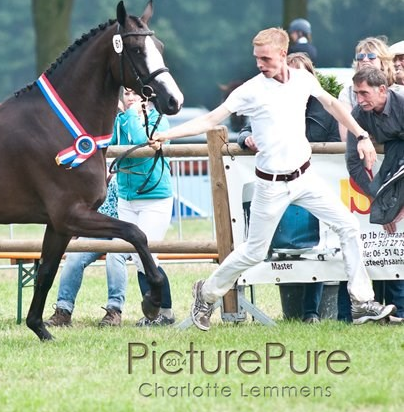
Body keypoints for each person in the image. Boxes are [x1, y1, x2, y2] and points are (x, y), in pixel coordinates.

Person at [151, 27, 395, 331]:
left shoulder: (303, 80)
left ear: (283, 54)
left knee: (347, 226)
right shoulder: (251, 90)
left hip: (305, 178)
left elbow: (333, 105)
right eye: (256, 58)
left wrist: (360, 134)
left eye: (265, 58)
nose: (259, 64)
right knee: (254, 251)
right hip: (271, 185)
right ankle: (207, 292)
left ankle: (361, 302)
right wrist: (167, 134)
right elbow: (211, 119)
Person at [237, 52, 340, 323]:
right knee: (276, 246)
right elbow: (245, 129)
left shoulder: (322, 109)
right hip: (277, 184)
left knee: (317, 246)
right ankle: (292, 306)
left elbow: (327, 143)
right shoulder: (267, 102)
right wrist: (247, 138)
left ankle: (311, 310)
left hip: (311, 182)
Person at [344, 67, 404, 321]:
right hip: (391, 172)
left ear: (383, 90)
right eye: (356, 94)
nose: (359, 100)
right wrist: (379, 200)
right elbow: (353, 163)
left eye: (364, 93)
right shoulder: (359, 114)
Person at [113, 87, 175, 326]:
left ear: (146, 97)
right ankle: (153, 314)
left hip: (154, 197)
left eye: (135, 94)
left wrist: (129, 116)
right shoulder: (121, 119)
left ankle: (164, 313)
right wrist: (118, 117)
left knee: (147, 256)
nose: (130, 98)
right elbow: (110, 144)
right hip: (126, 197)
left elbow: (141, 143)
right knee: (138, 256)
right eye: (126, 94)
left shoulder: (159, 119)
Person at [44, 177, 129, 327]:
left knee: (114, 257)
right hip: (96, 232)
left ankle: (114, 311)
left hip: (122, 232)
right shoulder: (91, 178)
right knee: (74, 257)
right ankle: (63, 310)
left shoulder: (123, 179)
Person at [337, 36, 396, 141]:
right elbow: (346, 136)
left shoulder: (399, 92)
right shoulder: (347, 93)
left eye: (371, 56)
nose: (365, 60)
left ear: (383, 62)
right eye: (360, 57)